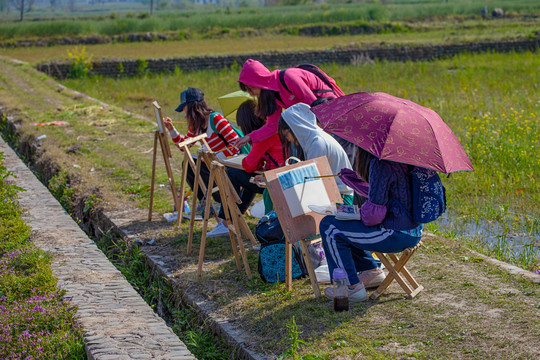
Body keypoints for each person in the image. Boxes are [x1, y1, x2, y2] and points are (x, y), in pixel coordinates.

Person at [319, 146, 424, 303]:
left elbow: (373, 216)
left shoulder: (380, 164)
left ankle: (350, 287)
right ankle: (369, 269)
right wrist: (356, 184)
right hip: (412, 231)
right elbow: (387, 197)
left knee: (329, 227)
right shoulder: (402, 159)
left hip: (395, 234)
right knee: (345, 226)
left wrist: (358, 213)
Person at [234, 59, 356, 162]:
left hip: (331, 116)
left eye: (250, 89)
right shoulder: (274, 96)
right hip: (317, 126)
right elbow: (272, 125)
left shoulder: (289, 78)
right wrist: (249, 137)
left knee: (343, 158)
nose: (251, 94)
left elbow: (314, 106)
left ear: (257, 82)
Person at [207, 100, 284, 237]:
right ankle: (232, 219)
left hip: (275, 180)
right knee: (247, 178)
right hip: (280, 175)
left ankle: (227, 221)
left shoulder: (262, 137)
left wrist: (252, 145)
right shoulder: (270, 129)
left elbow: (250, 165)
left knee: (233, 173)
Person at [163, 87, 240, 207]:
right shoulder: (196, 125)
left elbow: (236, 143)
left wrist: (215, 158)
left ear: (193, 106)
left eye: (184, 107)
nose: (184, 111)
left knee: (200, 163)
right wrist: (171, 129)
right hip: (213, 164)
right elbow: (184, 146)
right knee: (189, 163)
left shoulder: (215, 119)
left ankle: (221, 201)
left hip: (228, 164)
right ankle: (205, 202)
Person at [279, 103, 354, 204]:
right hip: (331, 192)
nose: (288, 139)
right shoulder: (312, 139)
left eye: (286, 135)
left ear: (296, 128)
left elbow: (311, 179)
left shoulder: (317, 143)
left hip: (341, 196)